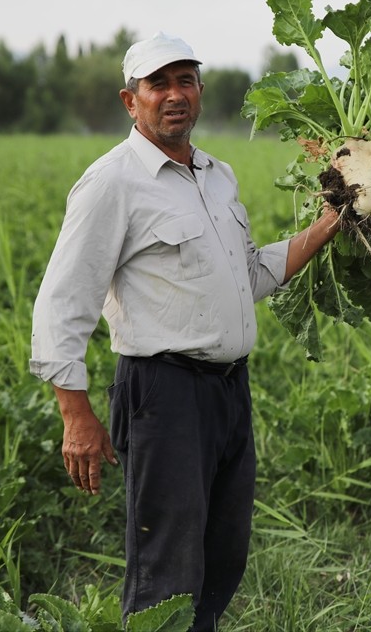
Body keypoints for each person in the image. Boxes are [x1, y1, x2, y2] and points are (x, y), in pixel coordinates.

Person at [29, 32, 339, 629]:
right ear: (131, 101)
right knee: (167, 572)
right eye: (159, 84)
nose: (175, 95)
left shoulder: (216, 176)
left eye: (186, 81)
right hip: (162, 394)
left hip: (227, 393)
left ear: (200, 91)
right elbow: (61, 303)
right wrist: (75, 413)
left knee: (222, 556)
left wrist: (334, 219)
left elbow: (249, 274)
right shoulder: (112, 182)